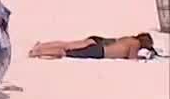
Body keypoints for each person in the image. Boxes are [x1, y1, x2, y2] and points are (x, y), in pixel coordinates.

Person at [28, 33, 156, 60]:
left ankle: (40, 46)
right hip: (100, 50)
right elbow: (132, 58)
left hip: (99, 41)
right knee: (64, 52)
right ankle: (37, 52)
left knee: (67, 44)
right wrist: (145, 57)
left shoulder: (129, 38)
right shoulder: (135, 44)